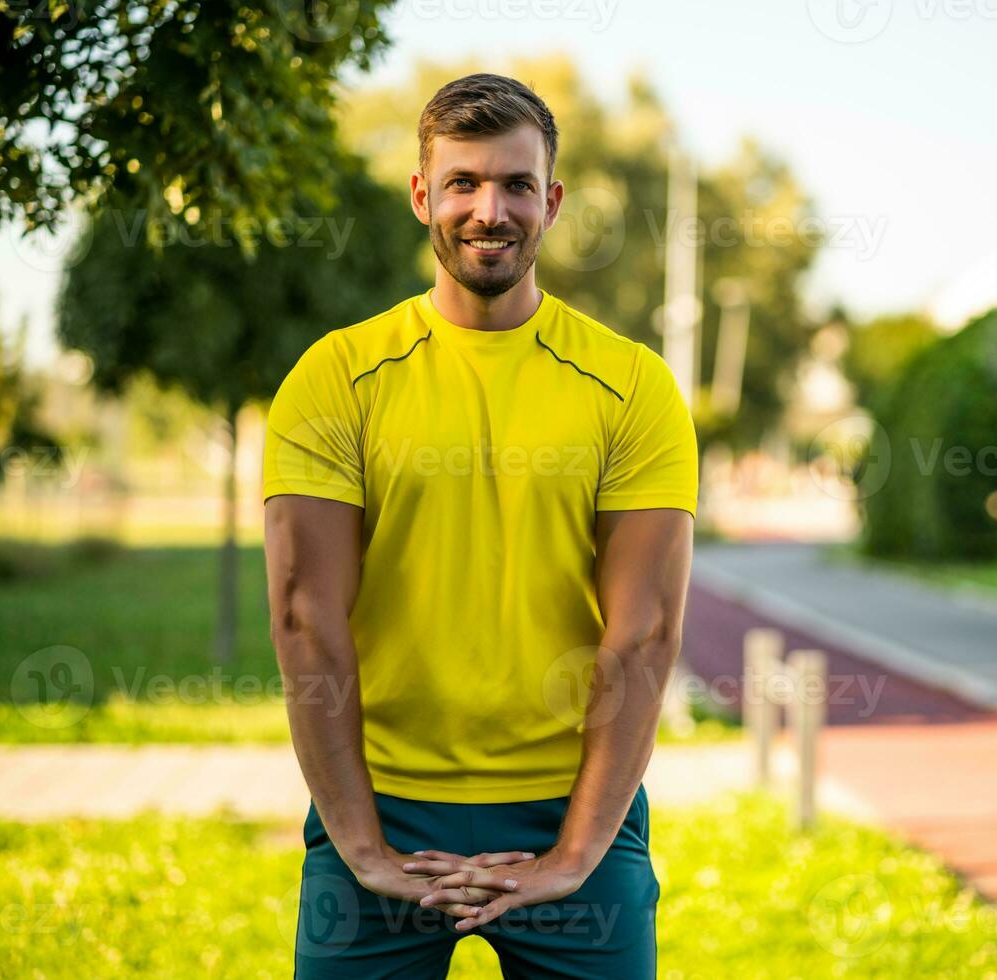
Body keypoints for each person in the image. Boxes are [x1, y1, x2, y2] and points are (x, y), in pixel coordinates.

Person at [262, 72, 698, 979]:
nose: (488, 209)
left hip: (572, 807)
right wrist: (364, 849)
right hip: (378, 806)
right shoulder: (335, 377)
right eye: (462, 182)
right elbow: (308, 621)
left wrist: (576, 855)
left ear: (553, 200)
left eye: (515, 184)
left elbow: (645, 631)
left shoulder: (634, 387)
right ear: (423, 193)